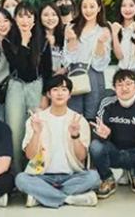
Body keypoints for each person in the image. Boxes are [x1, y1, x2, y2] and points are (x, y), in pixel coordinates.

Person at [15, 75, 101, 208]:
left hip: (71, 176)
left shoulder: (78, 120)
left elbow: (82, 157)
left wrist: (75, 135)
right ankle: (69, 198)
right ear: (49, 94)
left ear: (69, 95)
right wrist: (36, 133)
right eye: (55, 89)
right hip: (42, 176)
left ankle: (43, 197)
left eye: (64, 90)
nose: (60, 93)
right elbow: (30, 155)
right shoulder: (36, 119)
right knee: (21, 179)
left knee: (93, 177)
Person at [89, 69, 135, 198]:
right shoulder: (107, 103)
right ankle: (107, 179)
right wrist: (105, 135)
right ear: (114, 88)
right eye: (120, 84)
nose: (124, 88)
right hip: (115, 152)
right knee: (95, 146)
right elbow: (99, 130)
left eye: (128, 84)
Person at [4, 2, 52, 173]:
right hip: (16, 86)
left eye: (29, 16)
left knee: (36, 129)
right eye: (21, 16)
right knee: (15, 131)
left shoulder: (43, 41)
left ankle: (36, 173)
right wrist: (24, 42)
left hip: (37, 86)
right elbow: (20, 66)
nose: (25, 20)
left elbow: (47, 71)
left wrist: (45, 95)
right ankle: (17, 174)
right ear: (15, 18)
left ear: (34, 18)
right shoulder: (8, 40)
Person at [63, 0, 111, 120]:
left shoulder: (104, 29)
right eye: (84, 6)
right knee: (73, 116)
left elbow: (101, 63)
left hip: (94, 74)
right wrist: (72, 39)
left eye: (92, 6)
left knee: (93, 116)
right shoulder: (71, 27)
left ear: (99, 8)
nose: (88, 10)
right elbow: (67, 59)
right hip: (75, 73)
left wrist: (100, 42)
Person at [110, 0, 135, 72]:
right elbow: (119, 56)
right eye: (124, 6)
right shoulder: (117, 28)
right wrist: (114, 34)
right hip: (121, 72)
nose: (127, 9)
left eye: (131, 5)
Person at [39, 3, 65, 75]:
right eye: (46, 15)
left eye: (54, 14)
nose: (50, 18)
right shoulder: (35, 38)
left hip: (62, 78)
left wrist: (65, 69)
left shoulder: (65, 36)